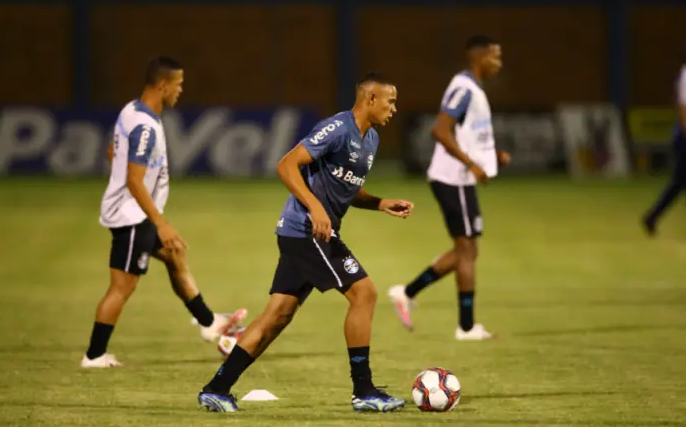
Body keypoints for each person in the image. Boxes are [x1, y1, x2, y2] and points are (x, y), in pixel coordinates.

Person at [197, 72, 413, 413]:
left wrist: (380, 202)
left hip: (311, 233)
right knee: (364, 292)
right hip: (307, 231)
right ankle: (364, 390)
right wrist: (315, 208)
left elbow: (347, 188)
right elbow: (286, 165)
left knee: (277, 316)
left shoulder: (370, 139)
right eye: (391, 101)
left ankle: (217, 388)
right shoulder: (338, 128)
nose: (395, 108)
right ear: (370, 99)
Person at [81, 56, 247, 368]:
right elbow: (133, 179)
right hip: (133, 217)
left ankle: (209, 323)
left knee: (175, 255)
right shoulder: (144, 126)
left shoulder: (132, 111)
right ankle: (94, 355)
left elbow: (111, 152)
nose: (180, 90)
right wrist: (160, 223)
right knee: (122, 287)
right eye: (178, 84)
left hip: (136, 211)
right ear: (163, 85)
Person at [388, 35, 510, 340]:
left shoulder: (473, 89)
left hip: (457, 176)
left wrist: (492, 156)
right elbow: (440, 130)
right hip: (453, 177)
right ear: (479, 57)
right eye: (495, 56)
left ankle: (407, 292)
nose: (499, 62)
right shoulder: (464, 88)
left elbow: (467, 135)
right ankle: (466, 327)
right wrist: (470, 164)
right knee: (467, 250)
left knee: (467, 250)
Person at [642, 45, 686, 237]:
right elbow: (685, 111)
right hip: (685, 138)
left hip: (683, 137)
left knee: (680, 183)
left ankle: (652, 217)